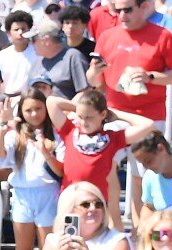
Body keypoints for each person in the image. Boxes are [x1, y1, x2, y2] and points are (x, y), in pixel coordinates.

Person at [0, 87, 62, 250]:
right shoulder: (15, 134)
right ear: (21, 111)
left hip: (48, 195)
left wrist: (47, 151)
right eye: (28, 110)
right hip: (22, 196)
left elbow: (61, 170)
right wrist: (2, 125)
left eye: (38, 109)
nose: (34, 114)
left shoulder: (56, 134)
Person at [47, 89, 154, 228]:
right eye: (80, 116)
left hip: (95, 203)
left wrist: (116, 114)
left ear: (102, 114)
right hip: (71, 201)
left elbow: (148, 125)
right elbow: (51, 102)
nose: (84, 122)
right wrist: (80, 107)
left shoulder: (113, 138)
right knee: (69, 242)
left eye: (89, 117)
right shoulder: (70, 131)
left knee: (95, 242)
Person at [91, 0, 172, 124]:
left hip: (150, 118)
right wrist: (94, 72)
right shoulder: (106, 37)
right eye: (118, 10)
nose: (122, 15)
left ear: (143, 7)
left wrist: (150, 77)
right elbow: (94, 82)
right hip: (115, 116)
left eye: (128, 10)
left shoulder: (163, 36)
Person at [28, 20, 89, 98]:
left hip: (67, 109)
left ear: (46, 40)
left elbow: (84, 93)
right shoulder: (36, 62)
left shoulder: (73, 57)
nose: (30, 44)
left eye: (33, 40)